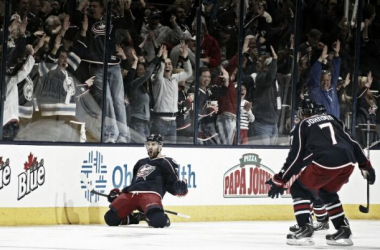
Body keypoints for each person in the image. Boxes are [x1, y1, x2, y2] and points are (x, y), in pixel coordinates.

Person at [265, 97, 376, 246]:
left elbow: (296, 157)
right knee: (326, 192)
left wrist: (280, 179)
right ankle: (343, 230)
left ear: (303, 114)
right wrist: (366, 165)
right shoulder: (332, 118)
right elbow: (353, 143)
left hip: (327, 162)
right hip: (349, 161)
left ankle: (304, 230)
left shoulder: (303, 125)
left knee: (299, 189)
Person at [104, 134, 188, 227]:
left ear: (160, 146)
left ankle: (155, 215)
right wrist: (118, 195)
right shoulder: (140, 162)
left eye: (153, 144)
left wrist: (181, 190)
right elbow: (135, 184)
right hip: (131, 195)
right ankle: (136, 217)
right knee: (110, 218)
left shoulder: (167, 162)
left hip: (150, 195)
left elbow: (173, 187)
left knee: (158, 221)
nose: (150, 147)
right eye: (148, 144)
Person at [308, 41, 341, 118]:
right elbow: (315, 76)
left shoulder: (332, 87)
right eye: (324, 80)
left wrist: (336, 54)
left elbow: (336, 71)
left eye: (327, 80)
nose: (326, 82)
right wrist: (320, 59)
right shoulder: (317, 92)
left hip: (335, 124)